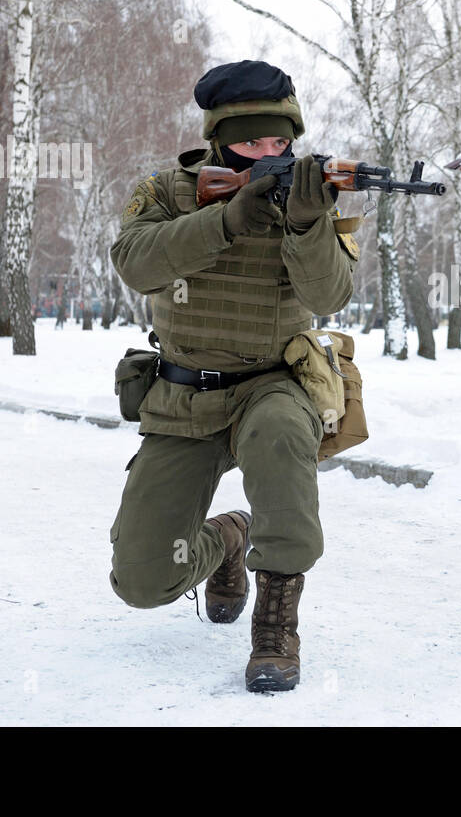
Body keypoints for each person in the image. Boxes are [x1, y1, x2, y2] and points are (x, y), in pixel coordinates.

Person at [108, 59, 359, 689]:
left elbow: (328, 295)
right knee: (142, 580)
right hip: (183, 393)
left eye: (281, 142)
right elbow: (137, 266)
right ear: (220, 139)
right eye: (252, 143)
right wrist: (227, 220)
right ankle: (228, 539)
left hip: (273, 382)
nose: (268, 154)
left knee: (279, 432)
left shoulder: (309, 198)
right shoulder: (169, 192)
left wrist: (307, 223)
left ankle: (276, 626)